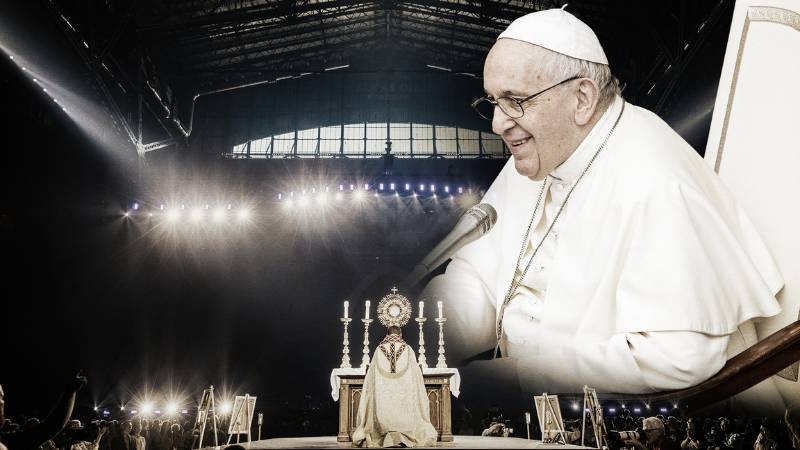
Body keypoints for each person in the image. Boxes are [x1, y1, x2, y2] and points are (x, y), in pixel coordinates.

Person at [417, 6, 783, 399]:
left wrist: (508, 379)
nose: (497, 123)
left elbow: (676, 356)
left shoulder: (656, 182)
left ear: (582, 99)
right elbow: (480, 282)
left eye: (516, 100)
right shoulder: (541, 152)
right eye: (492, 100)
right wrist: (421, 338)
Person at [351, 326, 437, 448]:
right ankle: (403, 435)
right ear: (400, 335)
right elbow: (416, 376)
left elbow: (371, 377)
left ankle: (385, 434)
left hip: (383, 399)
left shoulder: (378, 350)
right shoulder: (408, 349)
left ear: (387, 335)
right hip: (404, 395)